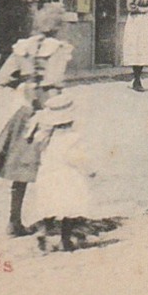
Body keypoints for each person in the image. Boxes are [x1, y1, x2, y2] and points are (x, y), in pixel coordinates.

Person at [0, 3, 73, 236]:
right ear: (58, 26)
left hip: (24, 111)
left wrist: (24, 84)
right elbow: (53, 82)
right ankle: (53, 219)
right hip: (49, 111)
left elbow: (2, 78)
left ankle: (13, 222)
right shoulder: (59, 49)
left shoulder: (23, 47)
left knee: (20, 168)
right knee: (56, 165)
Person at [25, 93, 96, 252]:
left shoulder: (46, 138)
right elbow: (77, 158)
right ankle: (65, 239)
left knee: (50, 206)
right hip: (67, 179)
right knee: (68, 210)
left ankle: (45, 232)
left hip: (48, 177)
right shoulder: (73, 138)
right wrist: (89, 170)